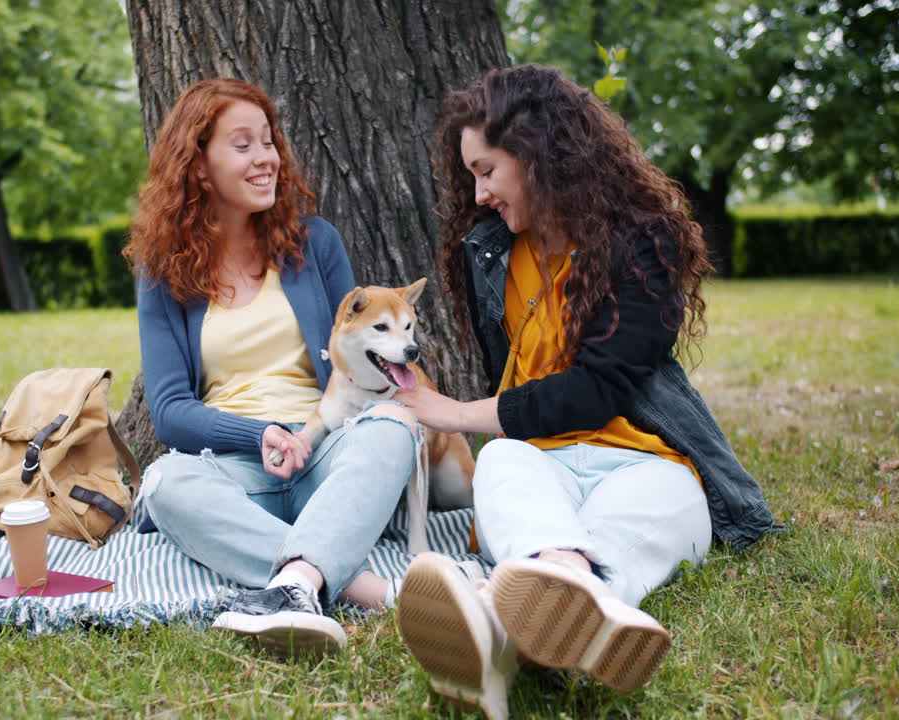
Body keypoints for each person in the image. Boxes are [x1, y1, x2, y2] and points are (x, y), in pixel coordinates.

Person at [391, 64, 774, 718]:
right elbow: (524, 398)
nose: (478, 194)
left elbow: (594, 392)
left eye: (486, 171)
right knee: (504, 462)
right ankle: (566, 595)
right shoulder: (490, 253)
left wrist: (452, 413)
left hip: (650, 462)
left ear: (538, 154)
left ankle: (499, 627)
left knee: (614, 524)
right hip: (538, 459)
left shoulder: (641, 241)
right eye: (472, 177)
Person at [123, 78, 419, 659]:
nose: (266, 158)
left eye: (268, 141)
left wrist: (315, 427)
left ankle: (294, 585)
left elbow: (358, 364)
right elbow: (169, 412)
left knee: (393, 428)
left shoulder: (316, 244)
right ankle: (350, 585)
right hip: (236, 476)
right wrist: (259, 434)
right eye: (243, 145)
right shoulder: (163, 272)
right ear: (200, 166)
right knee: (162, 482)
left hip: (325, 462)